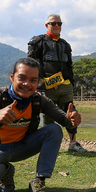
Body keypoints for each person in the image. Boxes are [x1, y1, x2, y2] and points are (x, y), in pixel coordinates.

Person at [0, 58, 82, 192]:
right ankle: (6, 172)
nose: (27, 84)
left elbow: (63, 119)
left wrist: (72, 119)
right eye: (22, 78)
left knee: (54, 130)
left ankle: (39, 182)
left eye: (33, 80)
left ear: (38, 83)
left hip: (22, 146)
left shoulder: (38, 100)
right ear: (12, 77)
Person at [27, 13, 86, 153]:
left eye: (59, 24)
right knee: (48, 115)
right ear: (47, 25)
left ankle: (73, 143)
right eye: (53, 23)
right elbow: (31, 64)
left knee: (71, 112)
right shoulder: (38, 42)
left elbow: (69, 66)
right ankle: (48, 145)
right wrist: (38, 84)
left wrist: (71, 83)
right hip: (46, 86)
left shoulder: (65, 45)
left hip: (65, 86)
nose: (57, 26)